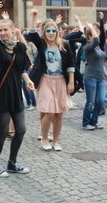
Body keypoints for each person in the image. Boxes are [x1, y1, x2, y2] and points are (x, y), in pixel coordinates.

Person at [0, 9, 34, 178]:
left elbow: (21, 68)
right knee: (3, 130)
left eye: (5, 30)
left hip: (15, 92)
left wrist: (28, 81)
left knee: (21, 130)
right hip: (0, 92)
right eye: (0, 30)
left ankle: (12, 162)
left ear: (12, 30)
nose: (2, 33)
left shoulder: (19, 47)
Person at [26, 10, 75, 151]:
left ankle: (56, 140)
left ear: (57, 31)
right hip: (45, 80)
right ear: (44, 32)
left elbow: (71, 63)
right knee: (49, 112)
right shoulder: (41, 44)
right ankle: (45, 137)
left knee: (59, 113)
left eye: (54, 30)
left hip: (60, 81)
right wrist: (34, 16)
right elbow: (31, 33)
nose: (51, 33)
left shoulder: (64, 44)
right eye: (48, 31)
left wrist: (71, 82)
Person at [79, 18, 107, 130]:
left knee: (100, 101)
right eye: (95, 34)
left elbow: (101, 61)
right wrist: (90, 27)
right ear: (89, 37)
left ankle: (94, 121)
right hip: (90, 77)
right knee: (90, 102)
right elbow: (97, 40)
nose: (98, 36)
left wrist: (106, 74)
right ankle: (86, 122)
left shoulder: (97, 47)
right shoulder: (88, 47)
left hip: (100, 77)